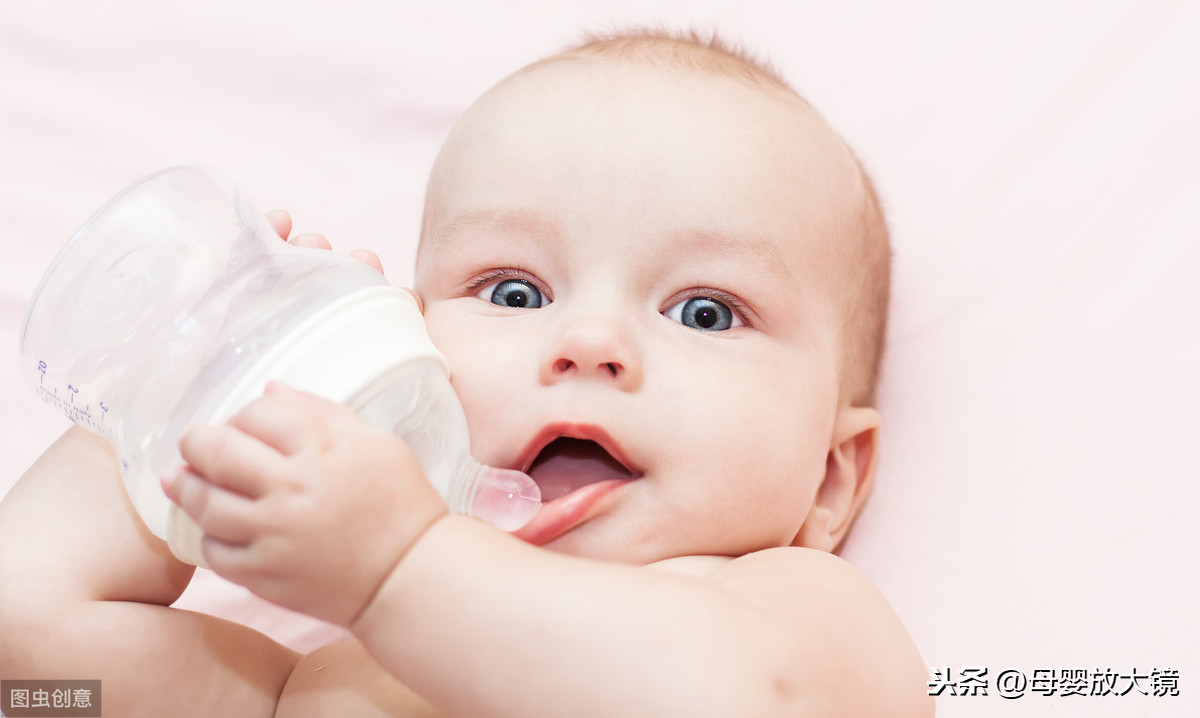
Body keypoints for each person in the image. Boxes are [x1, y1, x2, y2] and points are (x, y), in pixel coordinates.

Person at [0, 30, 933, 717]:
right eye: (515, 292)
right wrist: (185, 382)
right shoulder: (314, 676)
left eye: (705, 312)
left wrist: (400, 569)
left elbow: (746, 701)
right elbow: (35, 656)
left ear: (832, 479)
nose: (589, 341)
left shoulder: (799, 611)